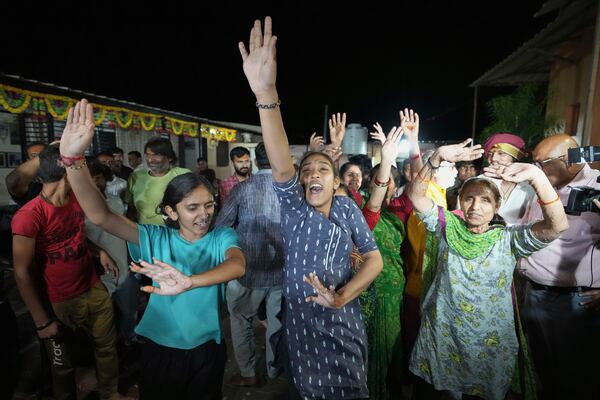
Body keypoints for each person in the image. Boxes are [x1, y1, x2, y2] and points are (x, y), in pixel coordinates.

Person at [58, 99, 246, 400]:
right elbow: (101, 216)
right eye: (193, 207)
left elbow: (237, 265)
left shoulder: (220, 237)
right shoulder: (155, 237)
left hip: (206, 348)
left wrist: (190, 281)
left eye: (209, 205)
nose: (204, 215)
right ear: (171, 212)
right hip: (161, 348)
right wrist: (72, 160)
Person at [238, 17, 383, 399]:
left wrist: (342, 296)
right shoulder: (294, 208)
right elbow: (282, 161)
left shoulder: (347, 210)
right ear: (299, 182)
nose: (313, 172)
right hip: (300, 327)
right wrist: (266, 92)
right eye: (307, 170)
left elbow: (374, 260)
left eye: (324, 168)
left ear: (336, 182)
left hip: (341, 321)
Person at [406, 139, 568, 400]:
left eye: (484, 201)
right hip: (446, 333)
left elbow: (557, 226)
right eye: (468, 199)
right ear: (460, 201)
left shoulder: (508, 239)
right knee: (445, 392)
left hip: (489, 338)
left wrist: (538, 178)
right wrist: (435, 158)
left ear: (496, 207)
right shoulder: (447, 227)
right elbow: (415, 195)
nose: (475, 207)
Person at [11, 143, 125, 400]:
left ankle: (111, 393)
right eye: (80, 167)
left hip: (92, 285)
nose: (85, 172)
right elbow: (21, 273)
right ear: (66, 171)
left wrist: (99, 251)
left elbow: (74, 236)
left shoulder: (76, 199)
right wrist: (42, 322)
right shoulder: (29, 215)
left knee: (107, 346)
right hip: (59, 300)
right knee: (62, 365)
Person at [518, 134, 600, 399]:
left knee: (575, 380)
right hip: (533, 295)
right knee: (542, 375)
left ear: (568, 159)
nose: (537, 169)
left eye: (543, 163)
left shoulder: (597, 186)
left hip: (574, 303)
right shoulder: (542, 185)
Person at [215, 142, 283, 385]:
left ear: (255, 161)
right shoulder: (292, 190)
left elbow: (221, 227)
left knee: (240, 320)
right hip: (281, 272)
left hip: (246, 269)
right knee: (277, 323)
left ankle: (248, 373)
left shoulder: (242, 189)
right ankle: (274, 370)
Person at [359, 126, 406, 400]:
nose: (385, 183)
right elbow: (374, 207)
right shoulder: (364, 210)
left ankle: (393, 384)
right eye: (380, 179)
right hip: (371, 289)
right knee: (372, 342)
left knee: (392, 341)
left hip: (395, 290)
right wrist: (386, 161)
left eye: (389, 179)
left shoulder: (399, 212)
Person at [85, 159, 139, 344]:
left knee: (129, 310)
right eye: (90, 179)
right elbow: (79, 240)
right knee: (102, 318)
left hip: (124, 267)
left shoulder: (115, 202)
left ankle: (128, 340)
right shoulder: (78, 207)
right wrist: (99, 252)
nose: (95, 183)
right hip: (99, 272)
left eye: (99, 178)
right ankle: (107, 347)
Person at [125, 137, 190, 224]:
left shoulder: (183, 175)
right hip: (146, 233)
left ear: (170, 157)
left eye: (156, 155)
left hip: (175, 234)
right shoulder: (136, 177)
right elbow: (130, 206)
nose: (150, 160)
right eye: (148, 154)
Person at [480, 133, 536, 225]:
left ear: (514, 157)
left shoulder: (530, 186)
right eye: (490, 154)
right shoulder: (477, 183)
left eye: (501, 153)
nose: (493, 158)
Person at [5, 141, 46, 206]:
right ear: (28, 160)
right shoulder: (26, 182)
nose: (40, 157)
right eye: (34, 155)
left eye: (44, 154)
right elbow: (11, 182)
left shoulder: (57, 176)